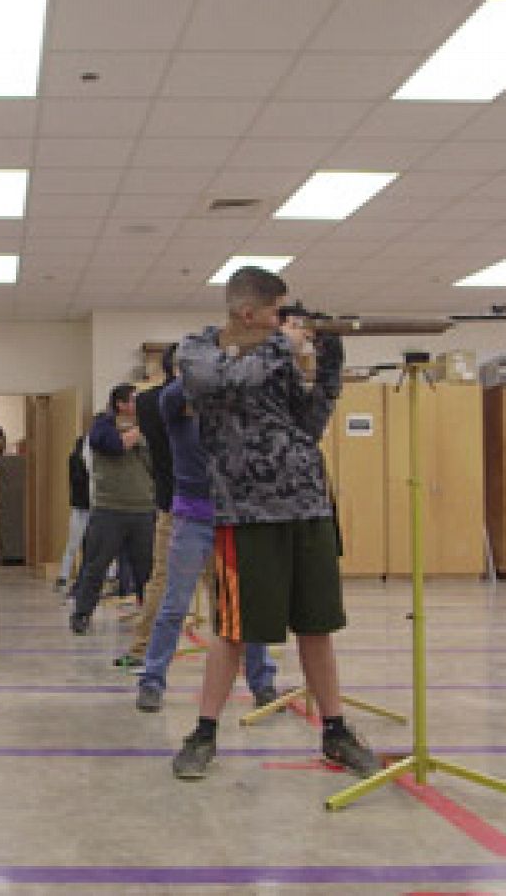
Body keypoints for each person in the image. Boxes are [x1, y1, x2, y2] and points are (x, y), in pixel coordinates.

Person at [170, 266, 376, 779]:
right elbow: (221, 380)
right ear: (248, 313)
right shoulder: (198, 352)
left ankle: (335, 730)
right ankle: (203, 732)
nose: (284, 322)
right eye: (276, 312)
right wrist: (284, 345)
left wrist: (329, 363)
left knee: (317, 626)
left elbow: (307, 425)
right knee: (234, 632)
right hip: (245, 514)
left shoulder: (276, 360)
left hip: (307, 506)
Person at [135, 372, 277, 711]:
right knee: (175, 604)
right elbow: (171, 396)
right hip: (191, 518)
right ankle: (152, 680)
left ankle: (263, 682)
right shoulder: (175, 405)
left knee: (248, 606)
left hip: (234, 518)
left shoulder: (233, 411)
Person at [67, 384, 154, 635]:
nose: (139, 405)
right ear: (121, 404)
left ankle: (148, 615)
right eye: (135, 400)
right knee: (95, 565)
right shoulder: (103, 425)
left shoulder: (147, 430)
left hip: (143, 509)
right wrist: (141, 430)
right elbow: (113, 445)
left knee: (146, 569)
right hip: (109, 509)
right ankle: (82, 613)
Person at [113, 346, 177, 667]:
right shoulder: (157, 402)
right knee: (164, 581)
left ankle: (141, 649)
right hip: (184, 504)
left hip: (176, 503)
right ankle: (142, 649)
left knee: (161, 581)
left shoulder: (150, 401)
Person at [53, 431, 90, 594]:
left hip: (80, 506)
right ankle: (64, 577)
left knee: (73, 544)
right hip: (86, 507)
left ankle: (63, 577)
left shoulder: (74, 458)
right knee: (77, 544)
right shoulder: (79, 461)